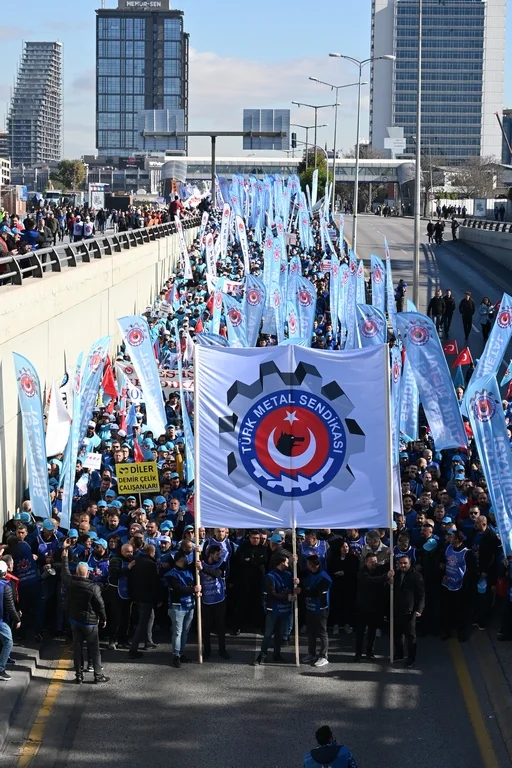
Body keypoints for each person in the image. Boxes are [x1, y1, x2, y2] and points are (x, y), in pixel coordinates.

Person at [60, 539, 109, 684]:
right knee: (94, 649)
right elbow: (100, 605)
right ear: (88, 573)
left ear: (77, 572)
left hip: (75, 621)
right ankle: (98, 675)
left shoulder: (71, 583)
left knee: (77, 648)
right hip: (90, 623)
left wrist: (64, 555)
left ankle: (79, 675)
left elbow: (64, 572)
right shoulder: (94, 587)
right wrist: (104, 618)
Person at [256, 553, 297, 665]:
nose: (288, 564)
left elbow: (293, 589)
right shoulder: (270, 576)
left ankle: (276, 654)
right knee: (268, 633)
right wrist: (287, 597)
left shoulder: (289, 575)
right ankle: (262, 655)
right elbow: (271, 594)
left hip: (285, 609)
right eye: (287, 562)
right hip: (273, 609)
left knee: (279, 633)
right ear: (281, 562)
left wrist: (296, 585)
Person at [165, 550, 201, 668]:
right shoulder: (171, 574)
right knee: (177, 632)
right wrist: (193, 589)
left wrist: (197, 552)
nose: (187, 560)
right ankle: (176, 655)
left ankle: (181, 652)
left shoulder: (188, 571)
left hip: (190, 605)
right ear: (180, 560)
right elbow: (178, 589)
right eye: (185, 558)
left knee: (185, 631)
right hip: (177, 607)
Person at [354, 552, 392, 661]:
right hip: (363, 607)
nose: (374, 564)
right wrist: (385, 577)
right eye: (371, 562)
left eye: (375, 561)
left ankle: (370, 652)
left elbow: (389, 565)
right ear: (366, 562)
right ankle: (358, 653)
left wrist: (391, 555)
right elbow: (370, 580)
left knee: (372, 632)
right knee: (360, 632)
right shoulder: (362, 572)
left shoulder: (378, 569)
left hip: (375, 607)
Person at [440, 530, 477, 642]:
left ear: (457, 539)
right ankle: (447, 630)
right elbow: (443, 562)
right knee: (447, 609)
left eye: (451, 537)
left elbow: (472, 570)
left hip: (460, 587)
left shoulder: (467, 553)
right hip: (447, 584)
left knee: (461, 611)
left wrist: (465, 581)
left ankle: (461, 632)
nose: (449, 538)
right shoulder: (448, 548)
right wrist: (442, 573)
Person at [127, 543, 160, 658]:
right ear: (151, 552)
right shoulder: (151, 564)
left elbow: (130, 579)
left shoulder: (136, 562)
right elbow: (154, 584)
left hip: (137, 596)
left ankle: (148, 641)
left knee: (150, 617)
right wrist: (157, 598)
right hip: (147, 598)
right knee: (142, 623)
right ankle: (133, 649)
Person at [392, 554, 425, 667]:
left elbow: (421, 595)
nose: (402, 565)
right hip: (396, 609)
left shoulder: (416, 576)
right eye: (400, 563)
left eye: (405, 563)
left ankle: (411, 658)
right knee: (397, 634)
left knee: (410, 636)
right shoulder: (395, 574)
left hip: (409, 611)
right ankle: (399, 654)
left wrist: (419, 609)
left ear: (409, 563)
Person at [198, 543, 229, 660]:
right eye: (217, 554)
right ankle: (207, 651)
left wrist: (203, 569)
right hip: (206, 600)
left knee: (220, 626)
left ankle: (222, 650)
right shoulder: (200, 563)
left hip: (219, 599)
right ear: (210, 554)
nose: (219, 556)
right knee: (207, 627)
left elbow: (216, 574)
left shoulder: (221, 563)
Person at [301, 554, 332, 667]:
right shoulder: (309, 573)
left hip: (321, 609)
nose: (308, 566)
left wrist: (301, 592)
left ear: (316, 565)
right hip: (310, 607)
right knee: (311, 632)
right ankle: (311, 653)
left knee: (322, 632)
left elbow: (316, 593)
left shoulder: (325, 578)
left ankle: (324, 656)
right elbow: (300, 574)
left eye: (310, 565)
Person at [0, 560, 22, 681]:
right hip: (1, 621)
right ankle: (1, 668)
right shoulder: (6, 587)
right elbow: (10, 606)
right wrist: (17, 619)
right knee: (8, 642)